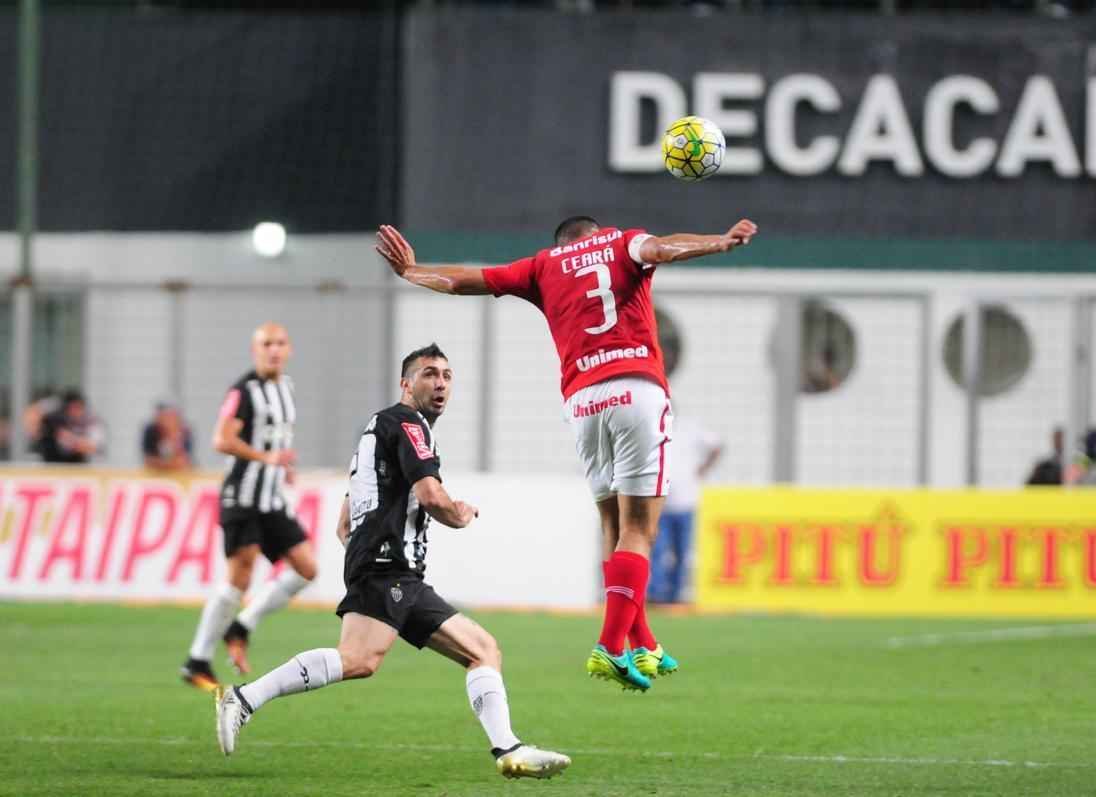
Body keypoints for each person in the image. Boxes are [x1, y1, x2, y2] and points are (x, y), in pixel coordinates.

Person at [375, 215, 758, 692]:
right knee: (640, 529)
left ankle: (643, 641)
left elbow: (465, 280)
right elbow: (663, 247)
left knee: (612, 526)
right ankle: (610, 644)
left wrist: (411, 272)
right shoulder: (621, 243)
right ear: (596, 233)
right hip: (636, 388)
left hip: (583, 402)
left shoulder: (542, 266)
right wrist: (718, 242)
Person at [215, 343, 571, 780]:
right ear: (407, 384)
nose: (440, 383)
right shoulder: (408, 423)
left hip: (384, 566)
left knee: (479, 650)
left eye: (446, 375)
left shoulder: (377, 428)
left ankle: (509, 749)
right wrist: (457, 514)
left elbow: (344, 521)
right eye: (428, 374)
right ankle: (244, 697)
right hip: (389, 568)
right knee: (360, 659)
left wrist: (370, 548)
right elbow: (430, 494)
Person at [180, 322, 318, 691]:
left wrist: (282, 467)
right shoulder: (243, 391)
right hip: (242, 495)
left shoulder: (286, 388)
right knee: (238, 578)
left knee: (306, 568)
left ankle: (242, 625)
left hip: (271, 499)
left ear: (289, 349)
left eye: (280, 343)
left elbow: (276, 440)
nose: (274, 350)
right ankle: (197, 660)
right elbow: (221, 439)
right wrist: (265, 458)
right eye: (266, 344)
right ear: (255, 350)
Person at [648, 412, 722, 604]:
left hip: (686, 502)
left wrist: (704, 468)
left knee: (681, 552)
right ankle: (657, 593)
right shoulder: (653, 429)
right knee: (659, 550)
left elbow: (716, 445)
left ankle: (675, 594)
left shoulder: (691, 427)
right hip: (661, 503)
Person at [35, 389, 105, 463]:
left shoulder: (91, 422)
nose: (74, 412)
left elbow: (95, 447)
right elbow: (33, 417)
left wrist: (72, 440)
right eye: (70, 408)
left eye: (78, 407)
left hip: (77, 467)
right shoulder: (56, 419)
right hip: (52, 465)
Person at [141, 401, 194, 471]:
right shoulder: (151, 431)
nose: (167, 421)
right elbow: (148, 460)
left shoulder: (184, 431)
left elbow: (184, 461)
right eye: (164, 417)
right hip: (155, 473)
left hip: (180, 473)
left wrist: (174, 436)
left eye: (170, 417)